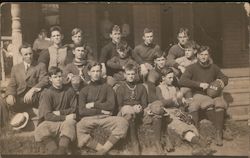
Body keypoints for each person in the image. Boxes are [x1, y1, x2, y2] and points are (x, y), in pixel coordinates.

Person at [156, 67, 213, 155]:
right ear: (163, 78)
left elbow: (180, 103)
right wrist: (174, 99)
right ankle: (202, 144)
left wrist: (184, 102)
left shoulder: (175, 88)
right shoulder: (159, 88)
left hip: (177, 111)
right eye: (169, 78)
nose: (172, 79)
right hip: (166, 113)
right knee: (181, 125)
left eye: (173, 77)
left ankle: (198, 147)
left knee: (189, 123)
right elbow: (161, 102)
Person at [179, 46, 228, 146]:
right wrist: (199, 84)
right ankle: (197, 135)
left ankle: (219, 133)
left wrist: (220, 82)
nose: (203, 57)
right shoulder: (192, 68)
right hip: (199, 94)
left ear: (209, 56)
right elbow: (182, 81)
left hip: (212, 93)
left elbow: (225, 78)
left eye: (206, 54)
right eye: (201, 55)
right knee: (194, 106)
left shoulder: (214, 67)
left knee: (220, 104)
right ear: (197, 55)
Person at [76, 61, 129, 155]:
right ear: (88, 73)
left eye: (98, 71)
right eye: (93, 71)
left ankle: (104, 150)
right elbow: (82, 111)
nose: (96, 74)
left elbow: (111, 106)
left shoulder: (107, 87)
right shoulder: (84, 90)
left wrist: (93, 105)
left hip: (105, 118)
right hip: (90, 118)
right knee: (79, 126)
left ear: (101, 72)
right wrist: (101, 110)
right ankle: (102, 150)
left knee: (123, 122)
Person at [34, 66, 77, 155]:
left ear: (63, 77)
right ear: (50, 79)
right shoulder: (47, 93)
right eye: (55, 77)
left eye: (60, 76)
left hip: (64, 122)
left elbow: (75, 108)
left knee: (70, 124)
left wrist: (60, 113)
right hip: (52, 121)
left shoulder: (69, 90)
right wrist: (65, 116)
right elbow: (47, 115)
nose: (58, 79)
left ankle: (61, 151)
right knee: (42, 128)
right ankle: (55, 152)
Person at [5, 43, 48, 113]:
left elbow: (44, 80)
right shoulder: (16, 68)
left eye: (30, 53)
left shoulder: (40, 65)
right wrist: (10, 94)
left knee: (45, 94)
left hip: (34, 96)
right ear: (21, 55)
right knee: (4, 102)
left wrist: (33, 90)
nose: (29, 56)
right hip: (19, 96)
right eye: (26, 54)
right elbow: (12, 84)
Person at [116, 63, 147, 154]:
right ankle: (135, 142)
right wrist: (132, 107)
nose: (131, 76)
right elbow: (119, 106)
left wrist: (140, 107)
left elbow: (145, 104)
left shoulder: (141, 87)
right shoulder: (121, 88)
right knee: (128, 111)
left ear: (136, 74)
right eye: (128, 74)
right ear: (125, 75)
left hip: (138, 113)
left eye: (133, 74)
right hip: (125, 112)